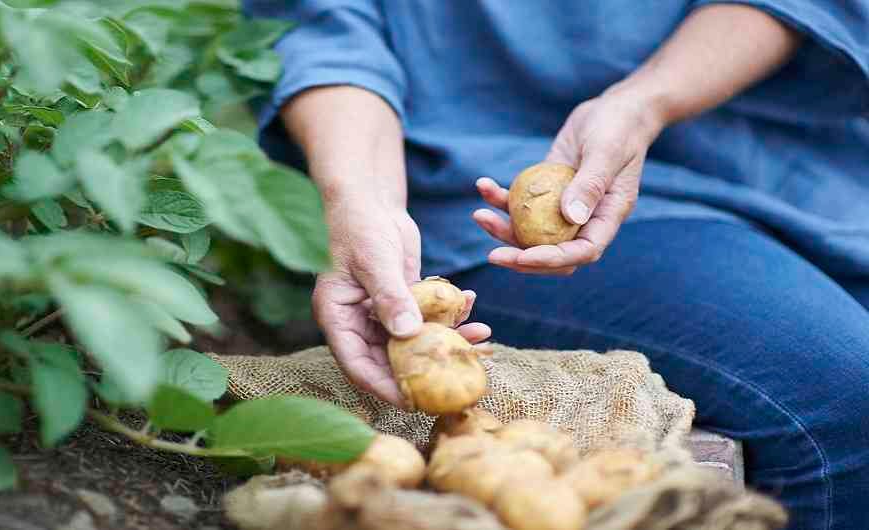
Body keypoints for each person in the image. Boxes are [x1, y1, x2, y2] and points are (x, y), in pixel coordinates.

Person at [242, 1, 869, 528]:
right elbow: (323, 28)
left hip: (786, 158)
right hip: (462, 187)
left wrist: (645, 102)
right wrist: (360, 201)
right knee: (843, 390)